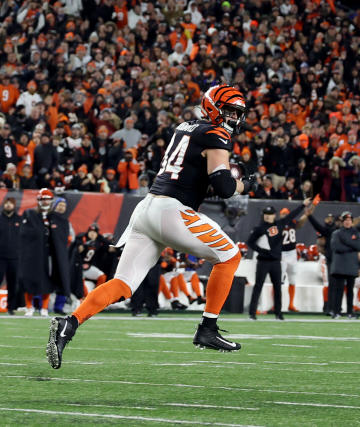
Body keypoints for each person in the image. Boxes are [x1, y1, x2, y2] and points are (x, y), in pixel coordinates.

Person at [47, 85, 254, 369]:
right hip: (172, 211)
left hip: (146, 209)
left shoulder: (185, 126)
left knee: (123, 284)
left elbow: (193, 171)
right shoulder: (215, 133)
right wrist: (245, 183)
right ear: (212, 107)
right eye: (229, 110)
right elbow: (224, 186)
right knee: (230, 256)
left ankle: (68, 324)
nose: (233, 118)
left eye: (236, 113)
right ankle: (208, 327)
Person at [247, 200, 311, 321]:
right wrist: (262, 251)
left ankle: (278, 313)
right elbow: (250, 242)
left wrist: (303, 205)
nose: (267, 215)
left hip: (276, 261)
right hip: (263, 261)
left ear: (274, 215)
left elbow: (292, 215)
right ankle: (252, 313)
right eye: (265, 213)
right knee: (258, 286)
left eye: (269, 213)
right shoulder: (259, 228)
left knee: (278, 287)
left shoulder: (280, 224)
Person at [19, 188, 70, 317]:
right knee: (30, 279)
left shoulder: (56, 218)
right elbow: (24, 234)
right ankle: (29, 307)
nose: (46, 202)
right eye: (43, 199)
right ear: (38, 200)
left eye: (48, 199)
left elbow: (62, 238)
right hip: (33, 254)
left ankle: (45, 308)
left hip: (50, 254)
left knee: (48, 281)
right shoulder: (30, 214)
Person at [0, 197, 21, 315]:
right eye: (6, 203)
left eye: (11, 204)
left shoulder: (20, 220)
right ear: (3, 205)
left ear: (14, 205)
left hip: (15, 257)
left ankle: (11, 308)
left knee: (13, 283)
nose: (8, 205)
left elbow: (25, 239)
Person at [278, 206, 311, 312]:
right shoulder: (278, 224)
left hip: (292, 253)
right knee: (279, 280)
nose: (285, 215)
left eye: (286, 213)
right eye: (283, 213)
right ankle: (277, 304)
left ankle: (291, 304)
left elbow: (301, 222)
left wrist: (307, 214)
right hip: (281, 253)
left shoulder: (292, 223)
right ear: (280, 215)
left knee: (292, 279)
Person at [329, 212, 360, 319]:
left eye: (349, 220)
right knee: (339, 290)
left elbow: (358, 245)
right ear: (342, 222)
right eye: (345, 220)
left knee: (350, 290)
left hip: (351, 265)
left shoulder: (356, 233)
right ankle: (337, 311)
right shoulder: (336, 233)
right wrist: (352, 247)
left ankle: (349, 312)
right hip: (340, 265)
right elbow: (336, 247)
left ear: (352, 221)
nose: (347, 222)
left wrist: (346, 242)